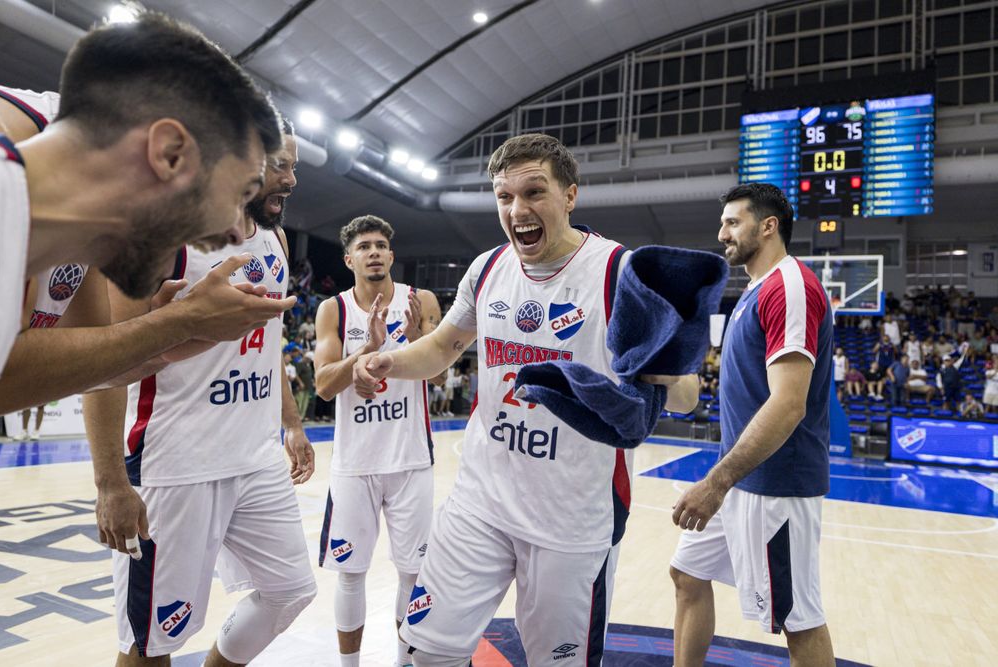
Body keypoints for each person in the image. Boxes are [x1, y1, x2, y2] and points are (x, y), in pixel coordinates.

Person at [352, 133, 699, 664]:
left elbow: (687, 397)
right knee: (423, 652)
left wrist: (657, 372)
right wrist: (388, 361)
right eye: (504, 197)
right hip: (480, 502)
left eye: (534, 192)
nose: (518, 210)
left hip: (573, 521)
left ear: (570, 196)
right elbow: (444, 346)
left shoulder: (618, 274)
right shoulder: (488, 267)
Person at [88, 125, 317, 666]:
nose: (291, 179)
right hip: (176, 464)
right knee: (151, 642)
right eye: (279, 166)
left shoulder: (274, 238)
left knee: (291, 590)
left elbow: (269, 344)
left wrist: (292, 423)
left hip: (255, 456)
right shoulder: (163, 236)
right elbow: (107, 362)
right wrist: (110, 483)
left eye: (293, 166)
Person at [0, 14, 294, 411]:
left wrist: (170, 339)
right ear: (169, 152)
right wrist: (174, 323)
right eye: (238, 194)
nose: (239, 233)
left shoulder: (75, 219)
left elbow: (74, 371)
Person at [670, 182, 836, 666]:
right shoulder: (753, 291)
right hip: (740, 477)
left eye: (732, 222)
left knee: (797, 618)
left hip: (776, 485)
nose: (721, 232)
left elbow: (788, 405)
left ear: (768, 227)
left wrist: (716, 482)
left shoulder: (791, 287)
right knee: (687, 573)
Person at [312, 214, 444, 667]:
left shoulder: (421, 300)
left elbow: (441, 370)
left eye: (381, 246)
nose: (374, 252)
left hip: (410, 461)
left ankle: (404, 662)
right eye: (364, 246)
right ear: (349, 259)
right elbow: (324, 386)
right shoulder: (333, 309)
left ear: (391, 255)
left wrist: (410, 340)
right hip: (355, 463)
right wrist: (366, 351)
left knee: (413, 573)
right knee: (350, 575)